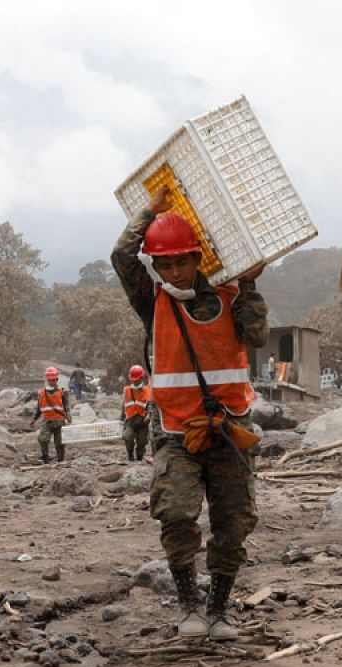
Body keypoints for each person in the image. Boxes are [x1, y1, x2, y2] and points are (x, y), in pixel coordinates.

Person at [112, 188, 267, 640]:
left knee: (233, 521)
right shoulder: (153, 299)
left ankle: (218, 610)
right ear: (156, 267)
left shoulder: (231, 290)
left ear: (197, 258)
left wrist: (252, 284)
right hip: (175, 430)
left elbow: (256, 335)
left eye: (182, 261)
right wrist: (149, 213)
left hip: (230, 427)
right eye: (165, 264)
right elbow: (122, 255)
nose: (175, 271)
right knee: (177, 514)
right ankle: (188, 607)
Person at [31, 366, 70, 464]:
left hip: (59, 421)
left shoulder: (63, 392)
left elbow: (67, 407)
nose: (52, 381)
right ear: (48, 379)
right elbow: (39, 408)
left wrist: (69, 418)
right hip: (47, 421)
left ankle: (60, 460)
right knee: (43, 440)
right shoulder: (42, 393)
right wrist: (33, 419)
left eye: (53, 379)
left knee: (60, 442)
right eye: (50, 379)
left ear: (56, 379)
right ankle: (45, 458)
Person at [120, 364, 151, 462]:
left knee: (142, 441)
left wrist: (149, 415)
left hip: (142, 420)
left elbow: (150, 404)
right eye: (132, 379)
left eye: (136, 379)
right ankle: (130, 457)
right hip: (130, 420)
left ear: (141, 378)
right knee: (128, 437)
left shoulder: (147, 390)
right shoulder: (127, 390)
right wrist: (121, 419)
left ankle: (140, 458)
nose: (134, 381)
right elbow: (123, 405)